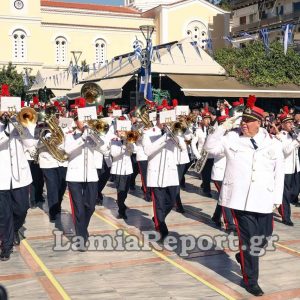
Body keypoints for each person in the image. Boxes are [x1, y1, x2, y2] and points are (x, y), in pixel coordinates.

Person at [204, 95, 284, 296]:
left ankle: (243, 256)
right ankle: (250, 280)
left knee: (263, 238)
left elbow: (279, 173)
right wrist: (222, 127)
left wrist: (277, 199)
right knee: (250, 242)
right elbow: (209, 148)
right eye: (242, 121)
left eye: (248, 121)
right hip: (240, 199)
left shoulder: (272, 143)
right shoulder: (231, 138)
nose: (244, 125)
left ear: (259, 122)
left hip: (264, 200)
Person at [278, 109, 300, 224]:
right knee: (286, 194)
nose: (291, 124)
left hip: (295, 168)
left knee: (294, 192)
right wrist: (297, 140)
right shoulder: (281, 135)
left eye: (291, 122)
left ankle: (278, 204)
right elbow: (286, 151)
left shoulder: (293, 134)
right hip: (285, 169)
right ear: (282, 124)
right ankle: (286, 217)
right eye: (288, 123)